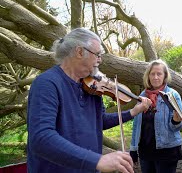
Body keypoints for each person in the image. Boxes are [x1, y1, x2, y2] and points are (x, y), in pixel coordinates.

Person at [27, 28, 152, 173]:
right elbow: (41, 139)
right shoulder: (47, 83)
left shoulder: (92, 87)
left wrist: (133, 111)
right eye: (97, 54)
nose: (100, 60)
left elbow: (100, 121)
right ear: (80, 52)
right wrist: (98, 160)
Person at [129, 59, 182, 173]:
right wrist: (133, 149)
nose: (155, 77)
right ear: (148, 76)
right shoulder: (142, 96)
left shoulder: (173, 95)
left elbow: (176, 128)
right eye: (152, 74)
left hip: (167, 152)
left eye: (159, 74)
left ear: (164, 76)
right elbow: (136, 125)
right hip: (145, 151)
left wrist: (176, 121)